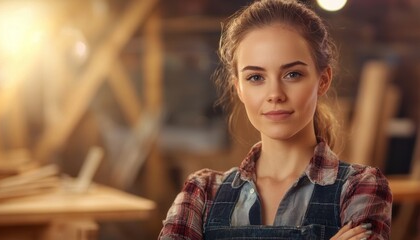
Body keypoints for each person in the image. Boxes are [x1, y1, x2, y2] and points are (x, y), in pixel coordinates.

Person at [159, 0, 392, 239]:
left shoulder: (360, 188)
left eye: (293, 74)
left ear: (323, 80)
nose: (275, 95)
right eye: (256, 77)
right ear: (238, 87)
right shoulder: (202, 191)